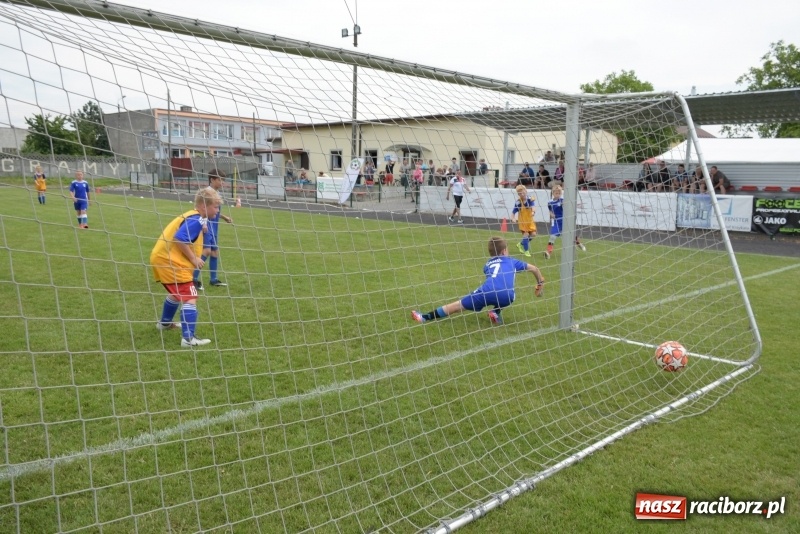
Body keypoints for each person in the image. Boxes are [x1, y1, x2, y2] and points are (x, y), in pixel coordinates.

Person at [411, 236, 545, 326]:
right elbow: (534, 268)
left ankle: (424, 317)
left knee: (458, 306)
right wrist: (540, 283)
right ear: (504, 251)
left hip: (487, 291)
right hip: (507, 296)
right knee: (511, 294)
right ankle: (495, 312)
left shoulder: (487, 265)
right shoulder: (512, 261)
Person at [151, 187, 223, 347]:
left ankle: (164, 323)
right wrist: (193, 258)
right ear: (204, 206)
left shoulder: (195, 217)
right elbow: (180, 238)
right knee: (191, 296)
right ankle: (188, 339)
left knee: (177, 293)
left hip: (163, 258)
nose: (218, 210)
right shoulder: (195, 220)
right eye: (216, 207)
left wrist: (204, 228)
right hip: (170, 261)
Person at [192, 169, 233, 290]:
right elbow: (200, 209)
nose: (222, 182)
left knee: (214, 252)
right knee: (206, 251)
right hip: (207, 225)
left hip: (214, 226)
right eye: (220, 180)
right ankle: (192, 279)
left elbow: (213, 210)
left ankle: (213, 280)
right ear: (212, 180)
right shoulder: (207, 193)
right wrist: (204, 224)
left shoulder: (216, 193)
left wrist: (224, 217)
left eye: (223, 180)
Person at [545, 184, 586, 259]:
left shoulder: (562, 200)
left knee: (571, 235)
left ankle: (579, 243)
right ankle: (548, 252)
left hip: (565, 221)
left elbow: (567, 207)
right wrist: (551, 214)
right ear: (553, 193)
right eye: (556, 193)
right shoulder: (550, 202)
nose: (558, 195)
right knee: (552, 237)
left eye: (559, 193)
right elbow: (550, 210)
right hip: (556, 222)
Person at [511, 184, 537, 257]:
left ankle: (521, 244)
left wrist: (533, 212)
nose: (521, 194)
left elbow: (533, 206)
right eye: (519, 193)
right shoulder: (518, 202)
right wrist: (513, 218)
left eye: (522, 192)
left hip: (530, 221)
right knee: (526, 235)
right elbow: (513, 212)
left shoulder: (530, 199)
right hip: (522, 222)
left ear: (526, 191)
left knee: (533, 234)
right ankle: (526, 251)